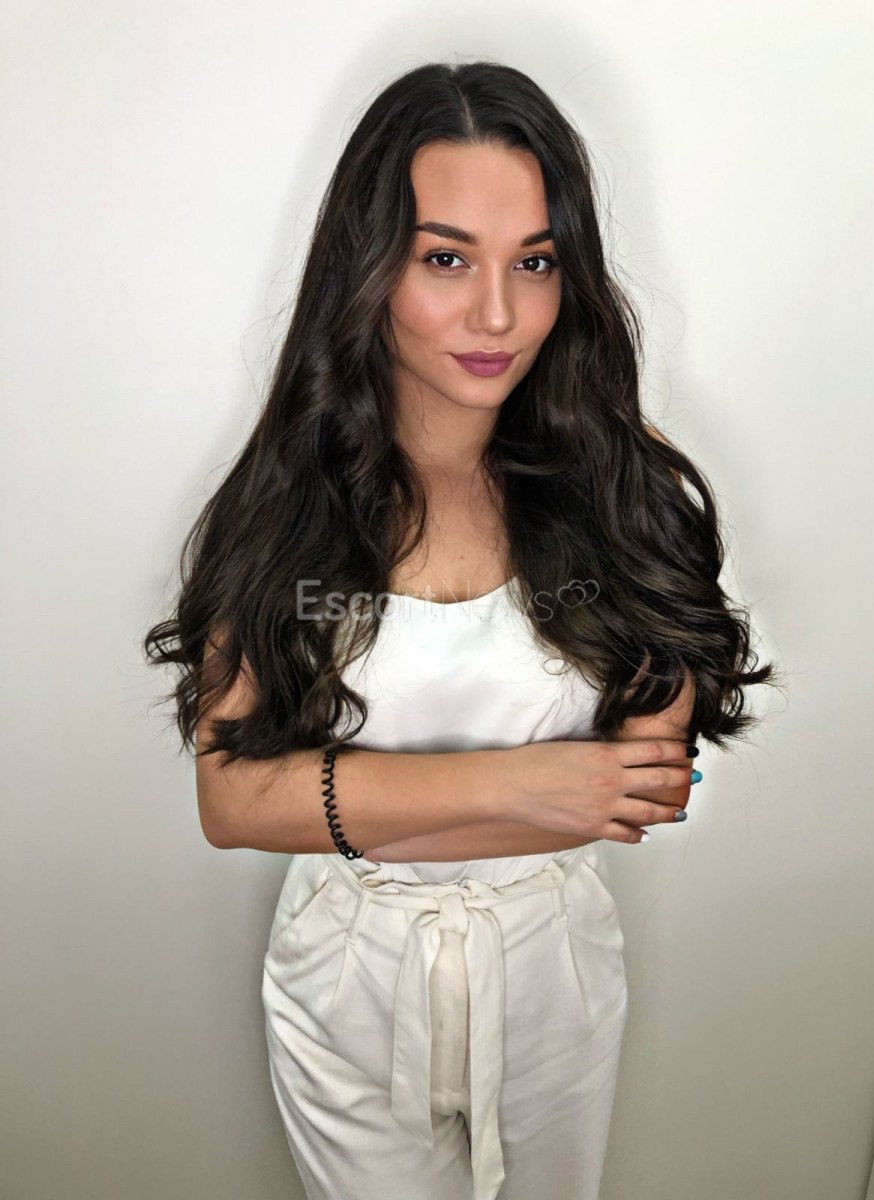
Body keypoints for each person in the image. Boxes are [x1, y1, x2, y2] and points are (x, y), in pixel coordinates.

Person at [144, 59, 778, 1200]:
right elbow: (231, 803)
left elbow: (639, 788)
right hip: (348, 970)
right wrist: (526, 785)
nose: (498, 314)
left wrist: (356, 798)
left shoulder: (622, 496)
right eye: (446, 259)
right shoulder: (286, 508)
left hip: (552, 965)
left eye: (534, 262)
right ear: (369, 265)